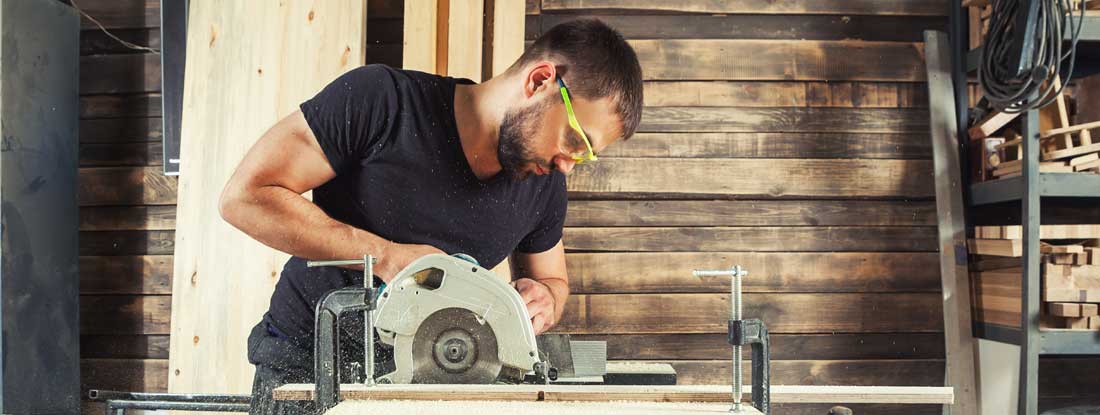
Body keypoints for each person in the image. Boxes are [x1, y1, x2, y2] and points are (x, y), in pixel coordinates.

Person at [218, 18, 643, 415]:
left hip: (437, 382)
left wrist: (544, 300)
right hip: (307, 370)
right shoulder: (382, 101)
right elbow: (246, 196)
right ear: (540, 81)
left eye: (585, 155)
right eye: (575, 139)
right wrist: (386, 257)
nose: (569, 163)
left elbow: (553, 281)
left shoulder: (543, 182)